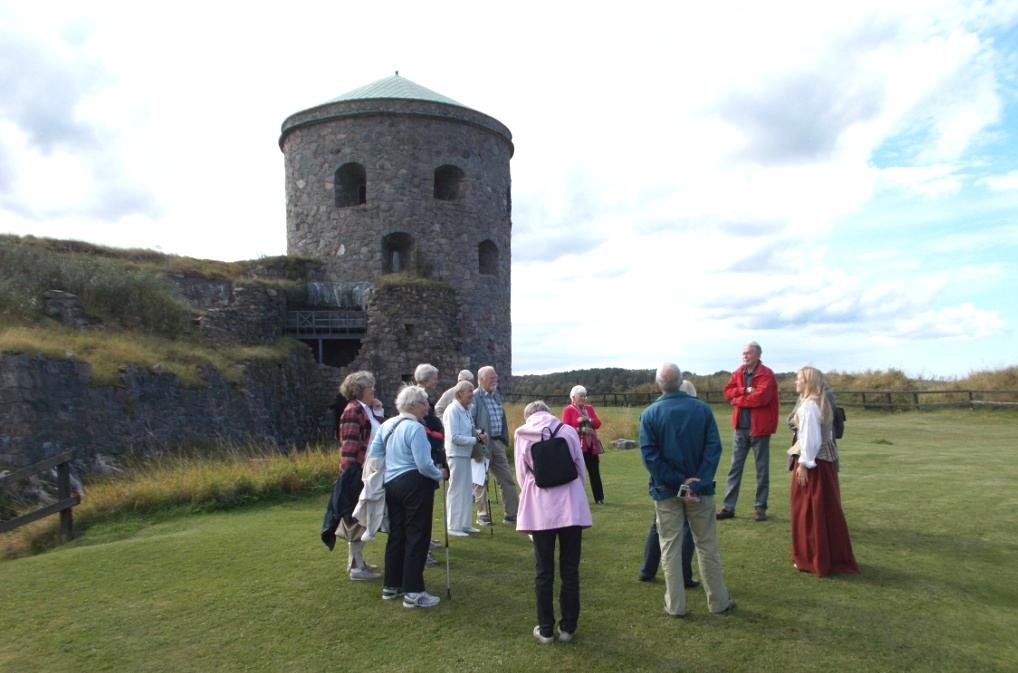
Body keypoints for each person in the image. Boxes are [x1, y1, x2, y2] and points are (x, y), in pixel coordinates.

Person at [640, 363, 736, 617]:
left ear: (659, 383)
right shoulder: (702, 410)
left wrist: (681, 483)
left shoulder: (650, 414)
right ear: (681, 381)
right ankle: (718, 601)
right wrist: (696, 482)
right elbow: (713, 449)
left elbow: (651, 458)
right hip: (696, 490)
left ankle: (676, 605)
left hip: (667, 491)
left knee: (670, 548)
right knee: (706, 546)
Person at [514, 400, 593, 644]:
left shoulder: (522, 434)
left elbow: (521, 472)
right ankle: (568, 627)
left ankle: (546, 629)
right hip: (570, 506)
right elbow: (580, 467)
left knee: (543, 570)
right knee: (570, 569)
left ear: (529, 416)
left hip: (540, 510)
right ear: (548, 413)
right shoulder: (567, 431)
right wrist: (574, 490)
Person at [367, 385, 448, 608]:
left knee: (398, 534)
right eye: (423, 403)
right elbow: (423, 464)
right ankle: (414, 591)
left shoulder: (388, 425)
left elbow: (374, 455)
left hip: (392, 484)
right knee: (417, 536)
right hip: (415, 484)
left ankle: (391, 585)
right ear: (412, 405)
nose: (427, 408)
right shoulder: (415, 428)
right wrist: (439, 474)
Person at [788, 366, 859, 576]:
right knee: (825, 509)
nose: (796, 382)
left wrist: (804, 463)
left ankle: (811, 557)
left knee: (809, 511)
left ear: (808, 382)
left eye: (799, 379)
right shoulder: (821, 402)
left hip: (814, 464)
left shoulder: (809, 405)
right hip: (825, 464)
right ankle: (826, 555)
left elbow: (811, 439)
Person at [639, 380, 698, 588]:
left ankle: (647, 569)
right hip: (684, 478)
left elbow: (650, 453)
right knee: (686, 527)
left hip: (661, 478)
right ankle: (683, 575)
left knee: (657, 525)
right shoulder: (693, 414)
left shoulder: (655, 413)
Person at [718, 341, 779, 522]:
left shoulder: (767, 374)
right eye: (743, 353)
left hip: (760, 429)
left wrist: (738, 400)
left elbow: (761, 398)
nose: (745, 356)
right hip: (740, 429)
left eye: (749, 353)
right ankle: (728, 507)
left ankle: (760, 508)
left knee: (762, 470)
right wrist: (744, 390)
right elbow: (727, 392)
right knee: (734, 468)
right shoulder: (738, 372)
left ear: (758, 355)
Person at [332, 371, 385, 581]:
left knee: (364, 517)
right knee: (357, 518)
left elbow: (377, 433)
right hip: (357, 473)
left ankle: (359, 562)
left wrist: (378, 409)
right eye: (369, 386)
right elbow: (349, 446)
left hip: (368, 471)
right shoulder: (353, 411)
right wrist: (352, 474)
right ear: (359, 390)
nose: (373, 389)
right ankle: (355, 567)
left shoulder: (366, 410)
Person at [470, 366, 519, 525]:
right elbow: (470, 421)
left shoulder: (496, 395)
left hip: (497, 443)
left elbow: (501, 417)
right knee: (480, 480)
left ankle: (511, 514)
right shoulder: (475, 397)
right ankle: (482, 515)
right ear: (481, 379)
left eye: (495, 377)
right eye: (492, 378)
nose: (495, 380)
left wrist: (504, 439)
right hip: (482, 443)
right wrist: (478, 439)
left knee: (507, 479)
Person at [442, 380, 483, 536]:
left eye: (472, 391)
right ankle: (453, 526)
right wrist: (475, 440)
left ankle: (465, 524)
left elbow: (469, 431)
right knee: (457, 490)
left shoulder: (466, 410)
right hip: (455, 454)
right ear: (459, 394)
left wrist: (479, 435)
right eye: (469, 391)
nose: (472, 395)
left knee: (466, 490)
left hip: (465, 454)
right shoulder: (453, 410)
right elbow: (454, 437)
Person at [415, 363, 447, 559]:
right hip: (426, 453)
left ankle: (426, 539)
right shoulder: (419, 398)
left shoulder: (425, 397)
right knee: (422, 503)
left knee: (427, 501)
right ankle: (422, 546)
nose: (437, 380)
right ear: (426, 379)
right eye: (434, 377)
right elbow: (426, 427)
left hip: (432, 452)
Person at [561, 385, 605, 505]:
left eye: (585, 395)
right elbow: (565, 429)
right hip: (577, 446)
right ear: (573, 397)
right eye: (581, 396)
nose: (584, 398)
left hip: (591, 446)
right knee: (578, 473)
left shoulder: (589, 408)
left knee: (594, 472)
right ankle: (578, 499)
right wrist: (579, 428)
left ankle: (599, 498)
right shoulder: (568, 410)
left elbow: (598, 424)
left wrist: (588, 419)